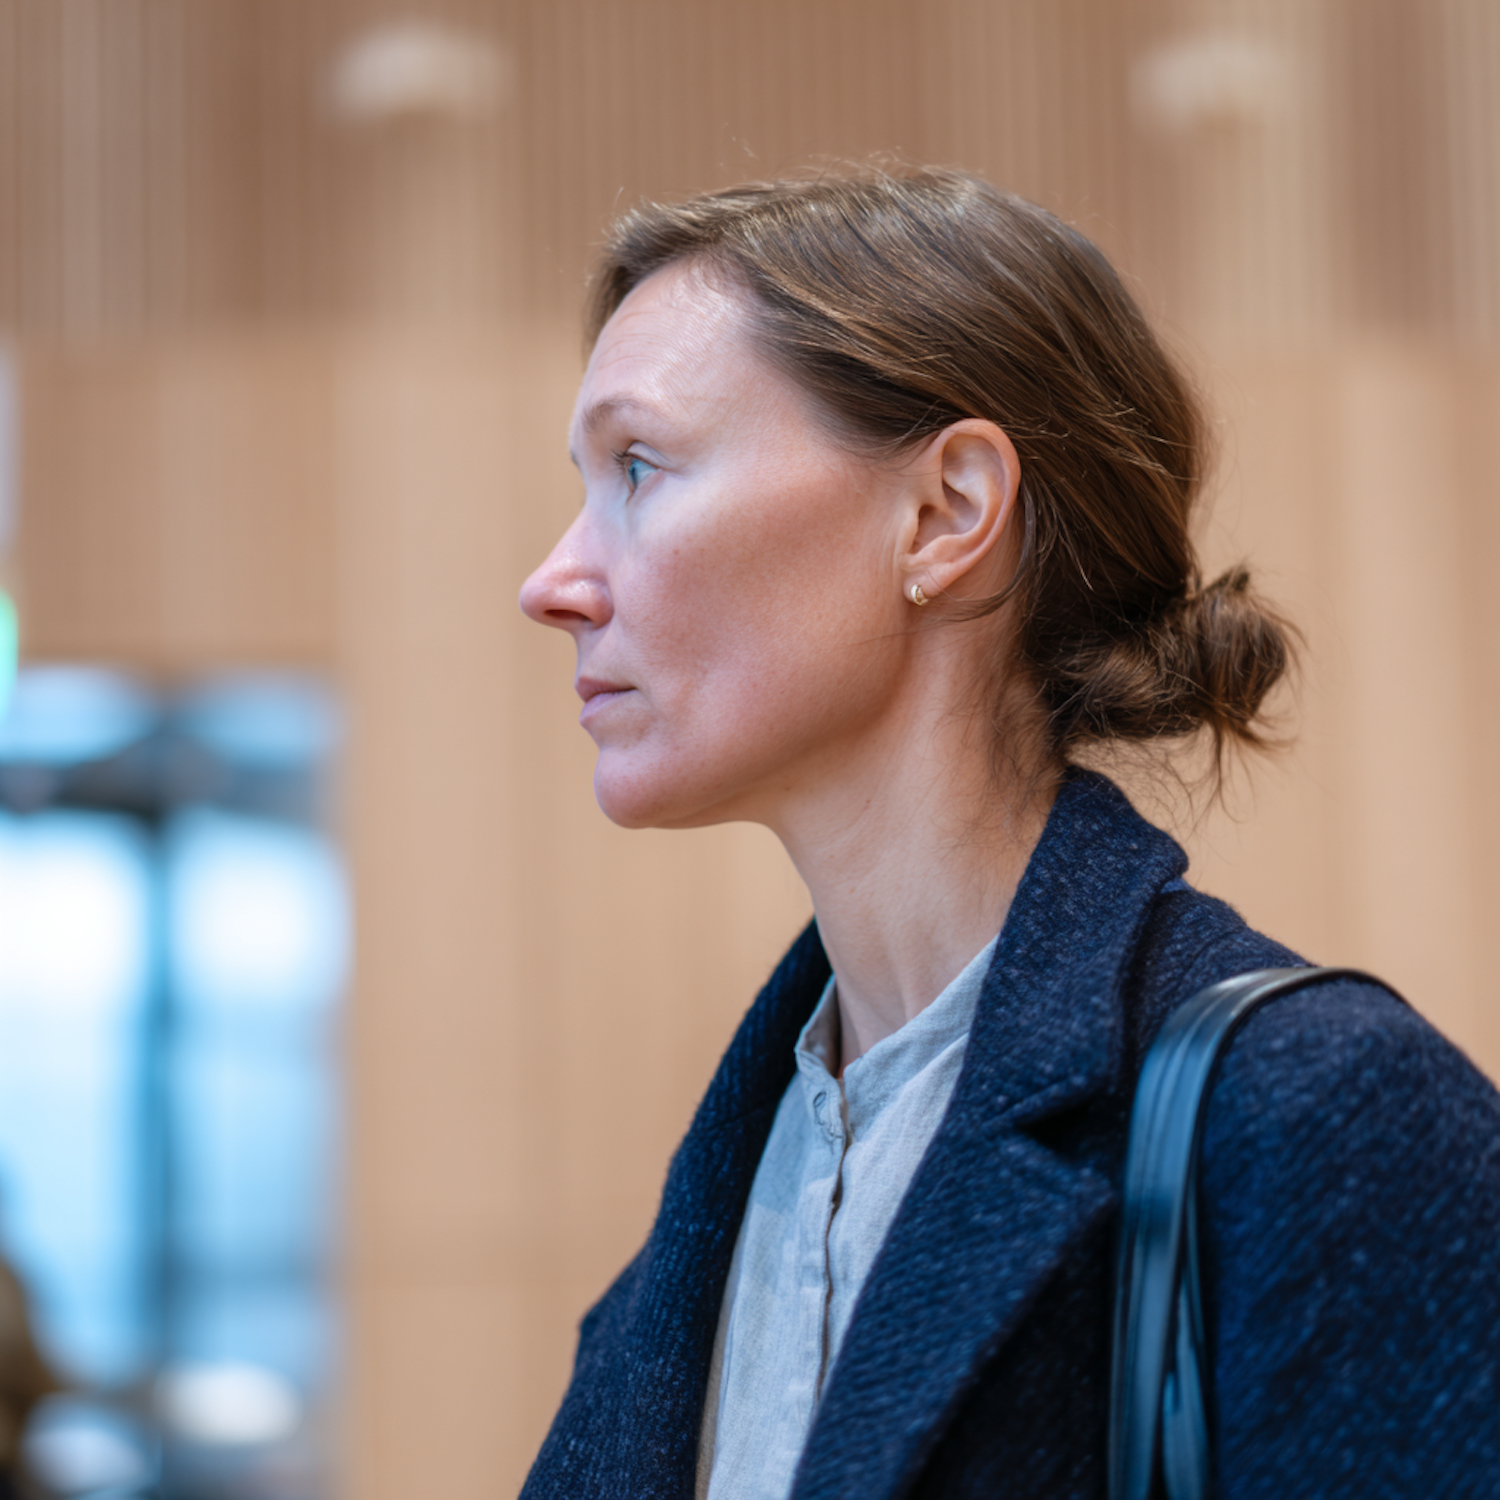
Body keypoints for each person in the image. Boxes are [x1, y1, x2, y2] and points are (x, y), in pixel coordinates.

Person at [516, 165, 1500, 1499]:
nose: (554, 582)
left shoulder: (1322, 1122)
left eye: (638, 466)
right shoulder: (715, 1225)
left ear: (947, 514)